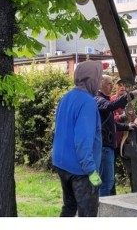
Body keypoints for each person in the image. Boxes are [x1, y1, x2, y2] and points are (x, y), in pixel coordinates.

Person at [51, 61, 103, 217]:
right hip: (81, 170)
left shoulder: (66, 97)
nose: (99, 82)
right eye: (98, 78)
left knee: (69, 207)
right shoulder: (87, 102)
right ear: (91, 78)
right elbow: (83, 140)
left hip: (62, 164)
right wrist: (92, 171)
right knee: (88, 214)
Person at [95, 75, 137, 197]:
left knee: (107, 181)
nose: (111, 86)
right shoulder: (99, 99)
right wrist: (131, 95)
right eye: (109, 84)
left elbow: (111, 122)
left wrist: (127, 127)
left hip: (110, 144)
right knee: (107, 182)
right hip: (105, 145)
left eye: (112, 83)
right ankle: (103, 210)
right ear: (100, 84)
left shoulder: (103, 99)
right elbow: (111, 106)